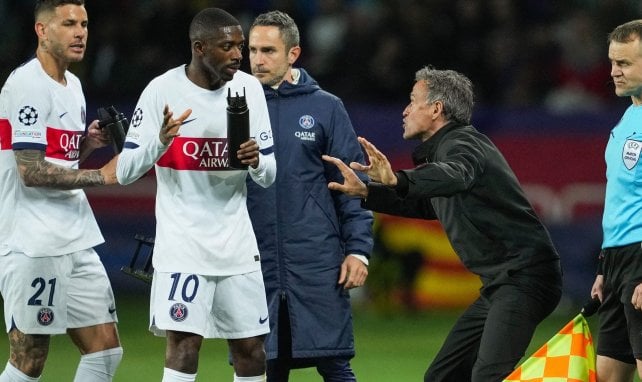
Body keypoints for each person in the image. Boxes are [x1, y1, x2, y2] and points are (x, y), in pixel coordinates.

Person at [323, 67, 563, 382]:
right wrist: (368, 192)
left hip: (526, 277)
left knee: (489, 375)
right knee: (442, 377)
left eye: (413, 101)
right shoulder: (446, 151)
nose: (405, 110)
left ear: (436, 109)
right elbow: (427, 202)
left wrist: (396, 177)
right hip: (503, 283)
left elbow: (456, 173)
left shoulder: (462, 144)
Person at [115, 8, 276, 382]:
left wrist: (255, 162)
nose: (239, 54)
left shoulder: (249, 90)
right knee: (185, 346)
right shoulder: (162, 91)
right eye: (228, 46)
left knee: (252, 350)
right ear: (199, 47)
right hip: (183, 247)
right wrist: (159, 142)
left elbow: (269, 174)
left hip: (237, 247)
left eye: (240, 45)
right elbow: (124, 172)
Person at [246, 11, 373, 382]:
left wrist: (358, 250)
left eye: (268, 50)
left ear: (293, 54)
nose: (258, 59)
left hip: (317, 260)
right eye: (252, 49)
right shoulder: (233, 107)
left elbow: (352, 187)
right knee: (263, 366)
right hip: (255, 260)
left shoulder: (326, 108)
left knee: (334, 363)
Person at [0, 1, 123, 381]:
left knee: (105, 350)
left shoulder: (74, 86)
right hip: (33, 241)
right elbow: (31, 171)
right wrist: (100, 175)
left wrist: (85, 145)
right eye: (68, 23)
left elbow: (58, 159)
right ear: (42, 30)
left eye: (84, 24)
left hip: (75, 236)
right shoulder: (27, 85)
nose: (80, 32)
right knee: (30, 357)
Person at [590, 19, 642, 382]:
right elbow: (622, 199)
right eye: (612, 62)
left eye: (623, 63)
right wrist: (604, 266)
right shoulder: (628, 116)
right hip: (618, 259)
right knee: (608, 373)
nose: (613, 72)